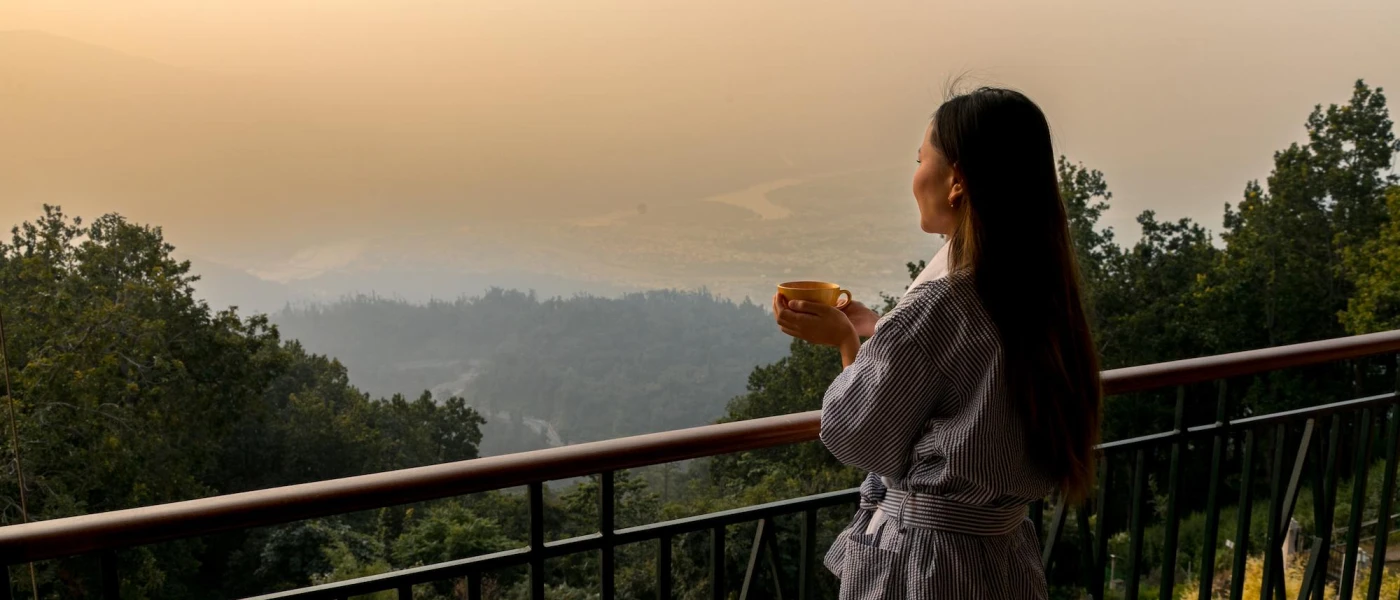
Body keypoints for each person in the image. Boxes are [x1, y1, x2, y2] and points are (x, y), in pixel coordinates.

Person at [771, 86, 1102, 599]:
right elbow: (967, 379)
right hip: (1003, 557)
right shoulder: (1040, 291)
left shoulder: (939, 304)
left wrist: (845, 343)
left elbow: (859, 434)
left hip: (929, 567)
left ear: (958, 181)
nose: (915, 175)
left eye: (921, 158)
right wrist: (880, 332)